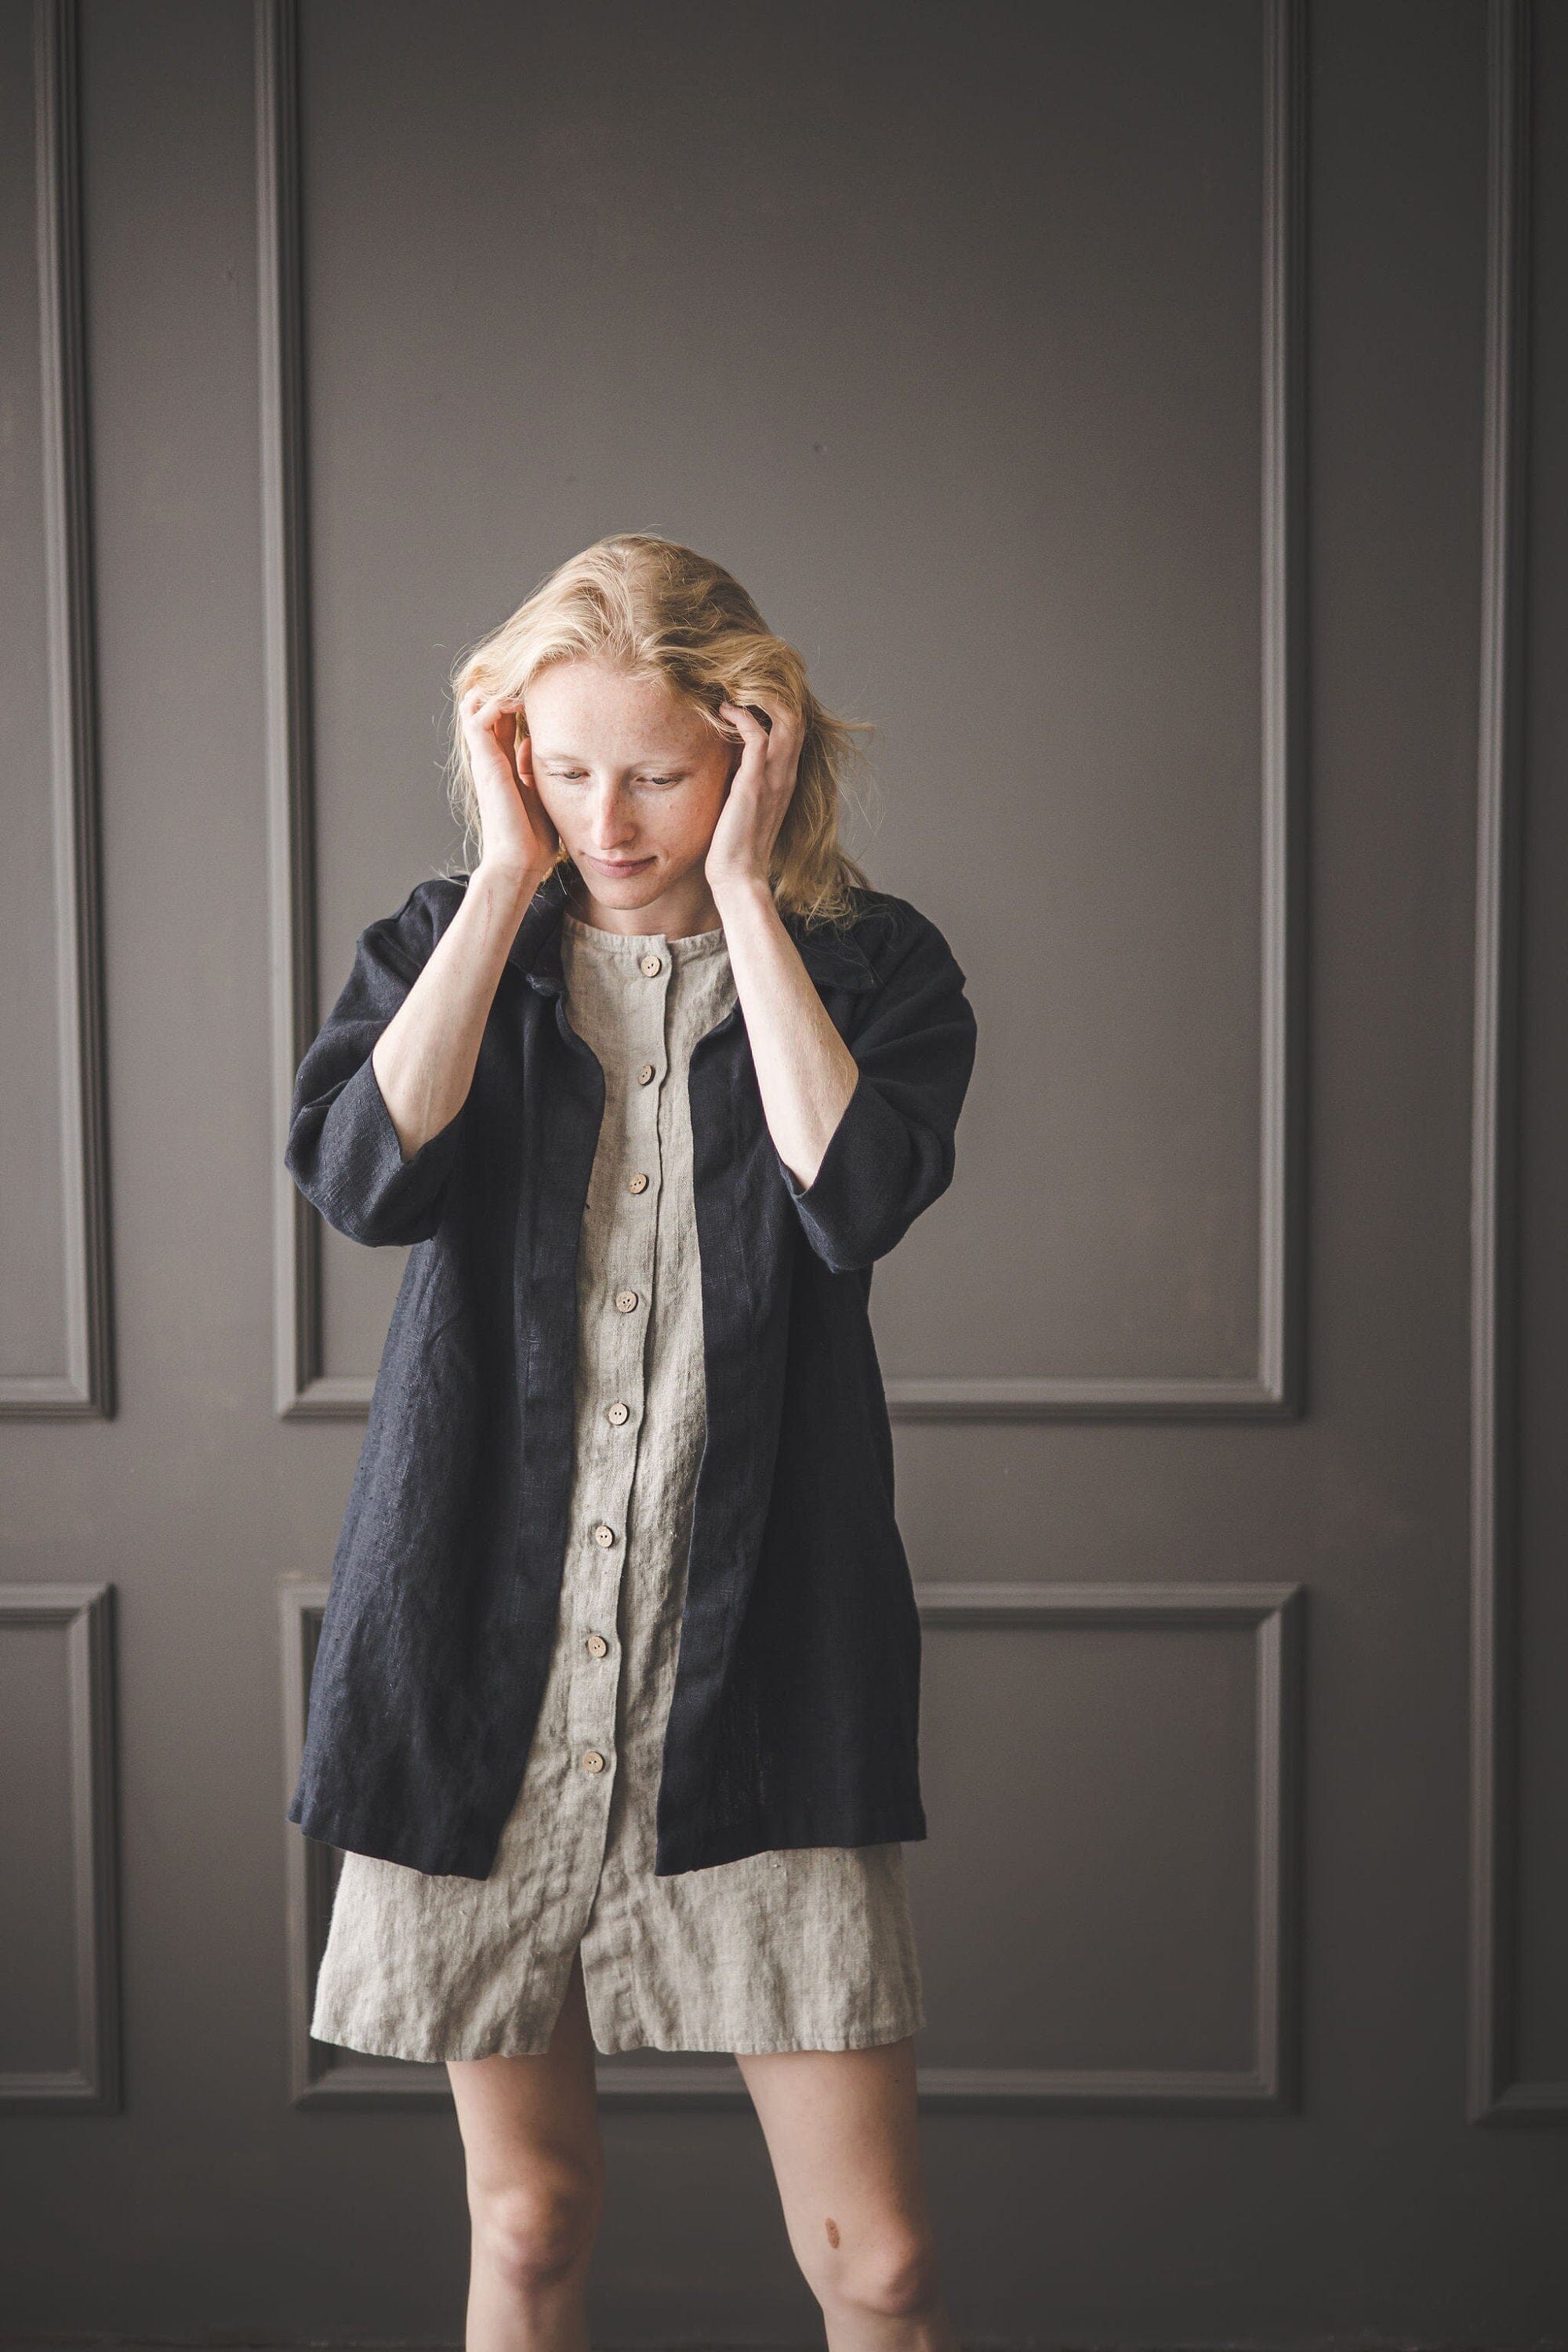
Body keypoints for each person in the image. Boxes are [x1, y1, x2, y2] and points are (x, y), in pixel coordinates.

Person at [284, 533, 978, 2350]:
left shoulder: (873, 966)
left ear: (754, 748)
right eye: (564, 769)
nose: (610, 815)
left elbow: (854, 1198)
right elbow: (366, 1178)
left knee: (879, 2264)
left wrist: (744, 892)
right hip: (477, 1657)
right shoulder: (448, 951)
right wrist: (505, 882)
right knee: (529, 2221)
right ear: (512, 756)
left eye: (658, 773)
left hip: (758, 1664)